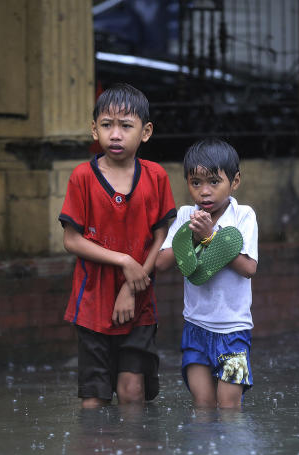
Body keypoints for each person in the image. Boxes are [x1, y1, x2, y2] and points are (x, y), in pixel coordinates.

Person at [59, 83, 177, 408]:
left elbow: (161, 235)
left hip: (139, 300)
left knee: (131, 392)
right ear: (93, 128)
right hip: (92, 301)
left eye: (126, 126)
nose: (115, 134)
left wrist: (131, 285)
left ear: (146, 131)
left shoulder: (156, 177)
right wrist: (124, 260)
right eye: (107, 125)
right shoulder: (82, 177)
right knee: (93, 399)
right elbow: (72, 239)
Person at [155, 138, 258, 409]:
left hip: (234, 331)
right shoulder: (186, 214)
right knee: (202, 406)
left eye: (214, 182)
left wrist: (211, 237)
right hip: (196, 328)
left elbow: (249, 268)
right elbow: (162, 263)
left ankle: (233, 453)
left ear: (234, 181)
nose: (204, 192)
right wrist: (189, 237)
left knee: (229, 408)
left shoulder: (243, 216)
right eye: (195, 183)